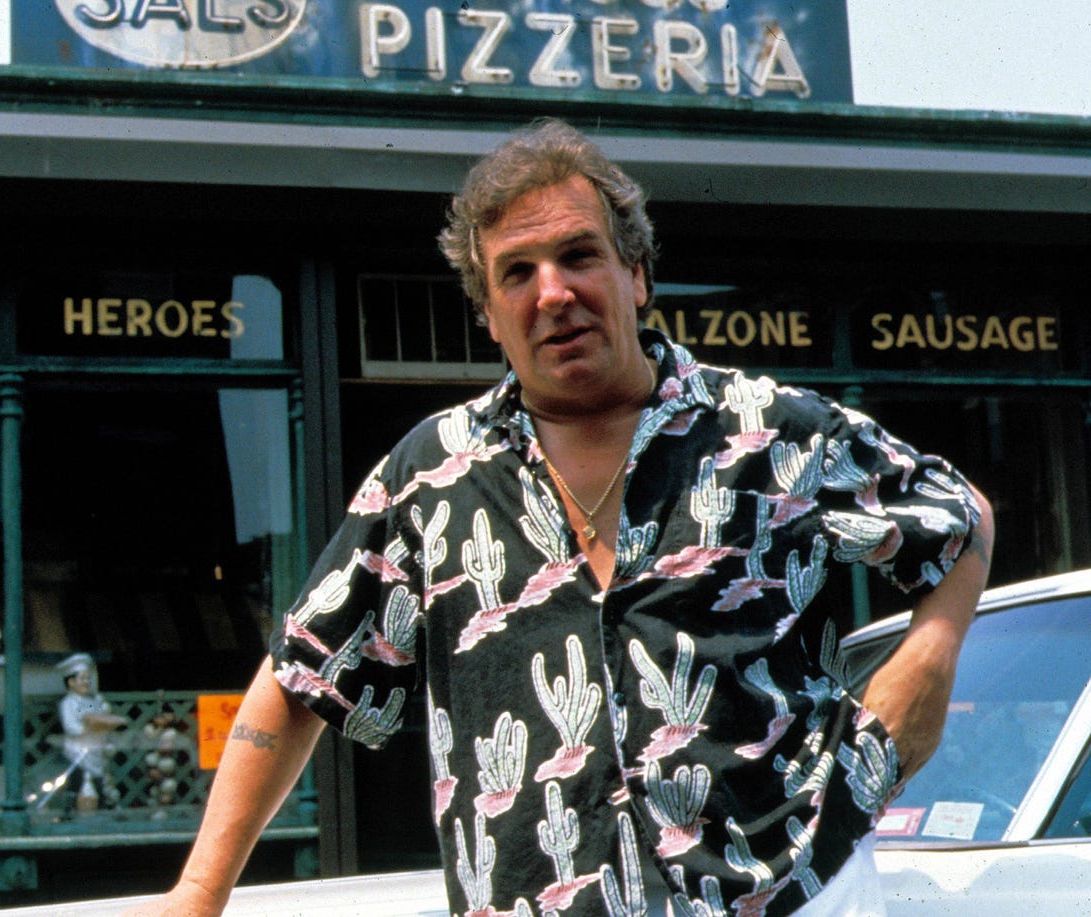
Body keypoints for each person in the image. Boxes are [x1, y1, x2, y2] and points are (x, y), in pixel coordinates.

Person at [129, 119, 994, 917]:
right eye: (518, 272)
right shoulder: (431, 476)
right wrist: (200, 889)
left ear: (636, 274)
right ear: (489, 315)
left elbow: (959, 517)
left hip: (793, 889)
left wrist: (926, 664)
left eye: (579, 255)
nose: (554, 293)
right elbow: (304, 674)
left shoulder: (768, 428)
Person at [56, 652, 128, 809]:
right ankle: (70, 810)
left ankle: (102, 807)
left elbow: (97, 717)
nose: (86, 682)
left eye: (88, 678)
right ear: (71, 682)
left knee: (99, 782)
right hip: (77, 752)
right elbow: (72, 727)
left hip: (96, 750)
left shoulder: (91, 701)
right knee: (77, 783)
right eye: (82, 678)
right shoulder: (68, 703)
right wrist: (89, 728)